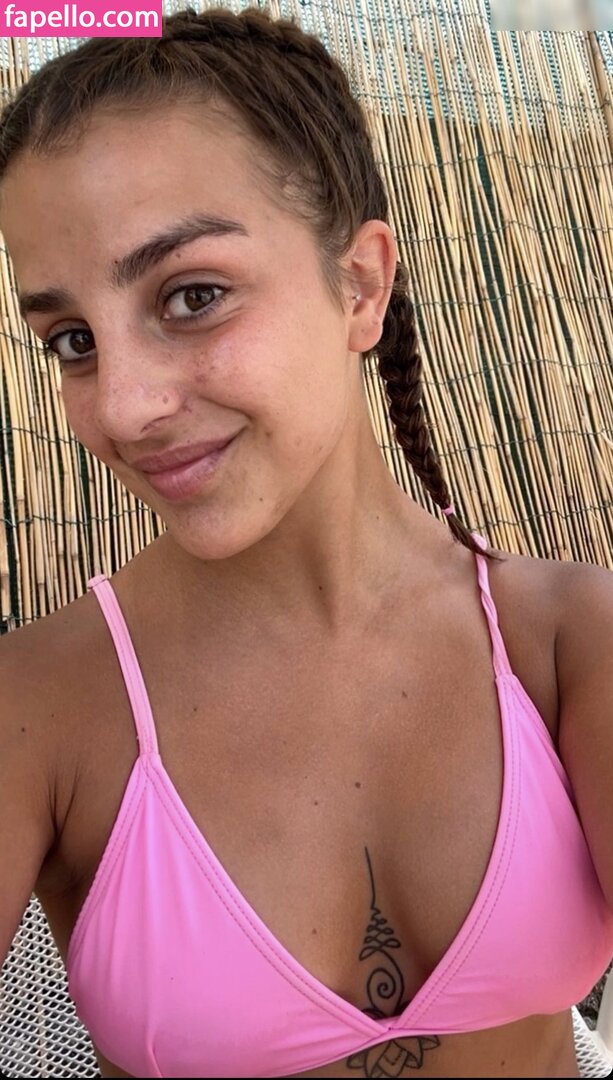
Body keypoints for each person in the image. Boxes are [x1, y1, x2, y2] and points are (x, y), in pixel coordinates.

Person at [0, 6, 611, 1078]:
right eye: (73, 340)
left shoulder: (566, 644)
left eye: (192, 296)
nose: (123, 406)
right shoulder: (41, 707)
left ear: (360, 285)